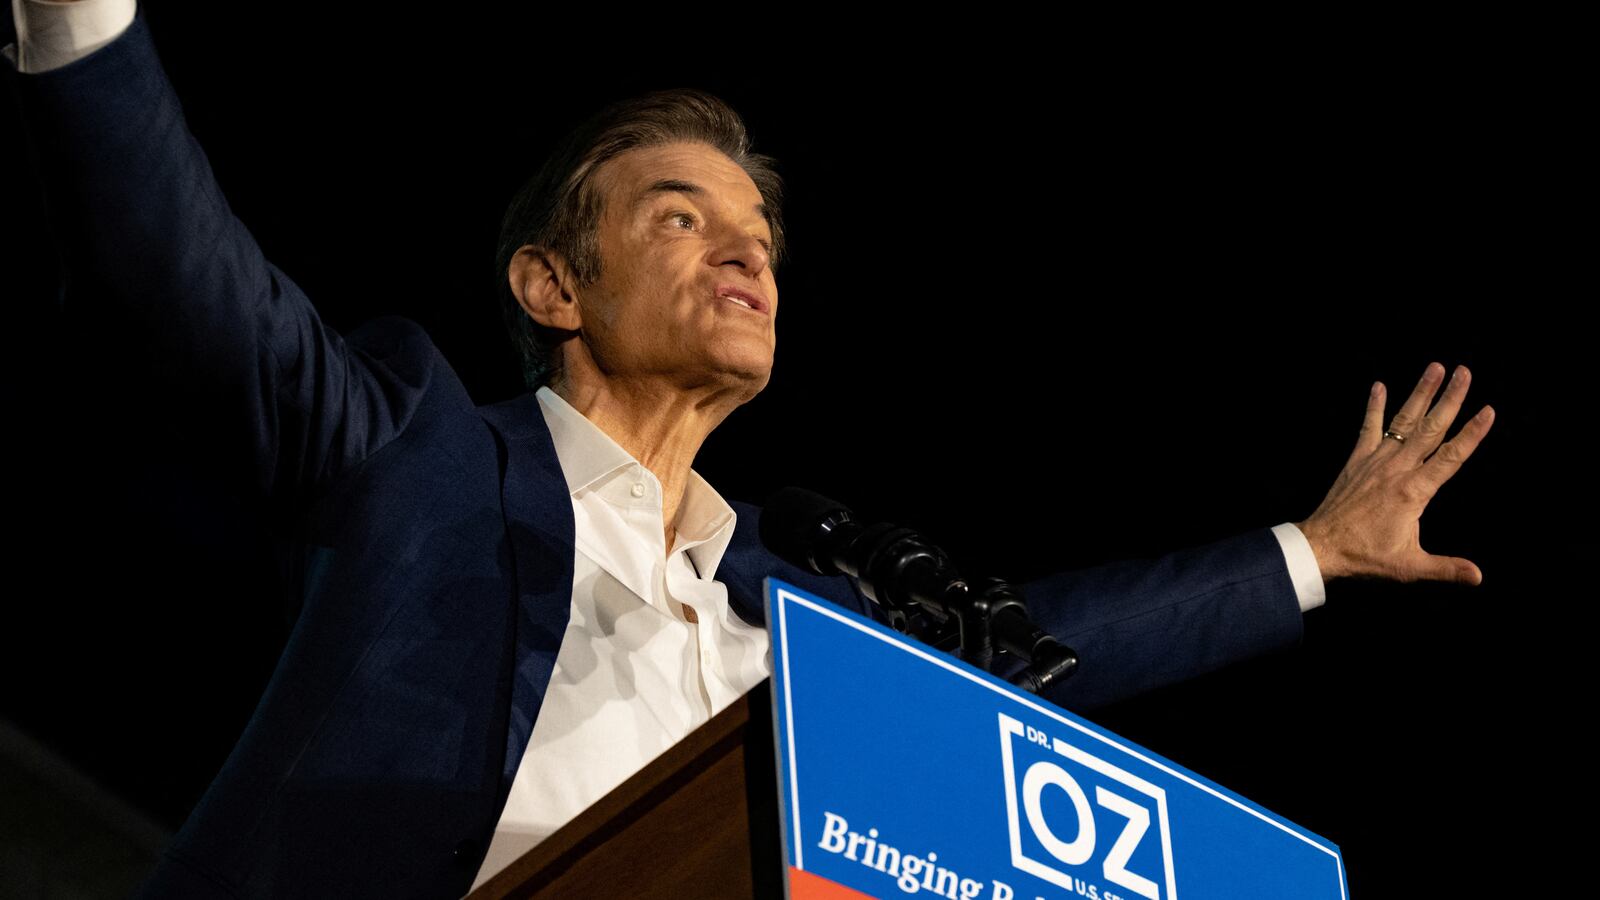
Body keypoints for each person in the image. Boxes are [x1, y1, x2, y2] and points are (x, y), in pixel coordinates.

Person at [3, 1, 1495, 896]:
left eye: (761, 238)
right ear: (553, 286)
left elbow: (1037, 661)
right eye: (682, 218)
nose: (746, 256)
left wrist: (1311, 553)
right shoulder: (419, 456)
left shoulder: (800, 610)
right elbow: (182, 281)